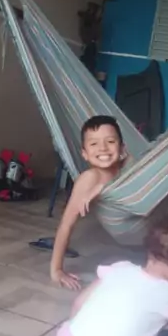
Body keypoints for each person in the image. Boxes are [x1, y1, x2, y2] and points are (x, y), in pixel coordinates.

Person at [50, 115, 126, 290]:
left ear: (122, 148)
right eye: (93, 144)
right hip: (131, 231)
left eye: (110, 141)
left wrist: (103, 188)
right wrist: (57, 270)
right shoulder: (89, 179)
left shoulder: (127, 168)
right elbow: (66, 224)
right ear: (84, 154)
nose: (103, 148)